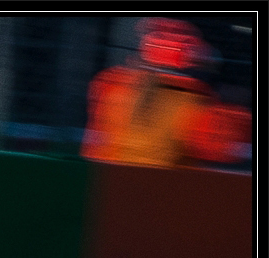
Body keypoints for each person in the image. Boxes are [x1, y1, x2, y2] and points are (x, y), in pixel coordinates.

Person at [83, 18, 249, 168]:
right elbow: (96, 149)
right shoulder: (113, 85)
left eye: (177, 36)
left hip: (160, 186)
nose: (169, 42)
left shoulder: (194, 99)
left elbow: (218, 148)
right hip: (120, 182)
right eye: (162, 36)